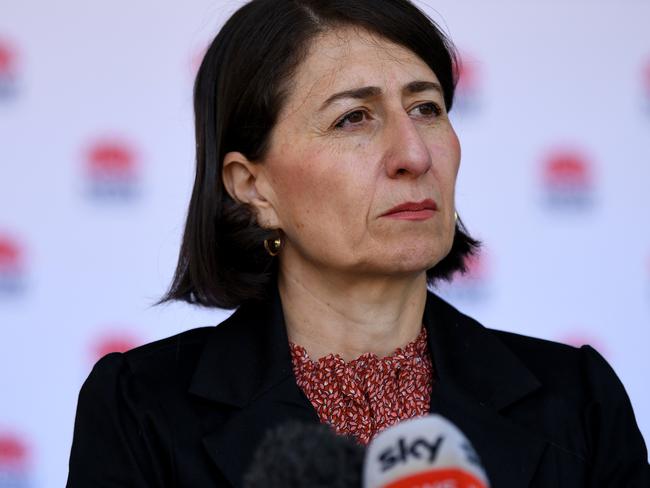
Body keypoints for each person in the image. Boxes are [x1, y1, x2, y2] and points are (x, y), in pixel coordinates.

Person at [66, 0, 650, 486]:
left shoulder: (578, 399)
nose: (414, 155)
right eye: (354, 118)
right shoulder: (141, 408)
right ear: (253, 186)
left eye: (426, 108)